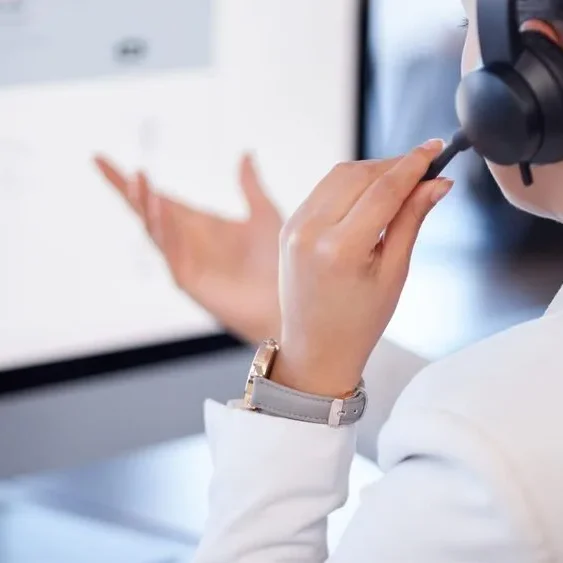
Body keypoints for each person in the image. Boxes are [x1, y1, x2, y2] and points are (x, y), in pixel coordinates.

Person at [95, 6, 563, 563]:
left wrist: (297, 388)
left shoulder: (489, 470)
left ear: (532, 70)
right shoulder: (497, 442)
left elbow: (490, 448)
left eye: (467, 25)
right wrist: (293, 323)